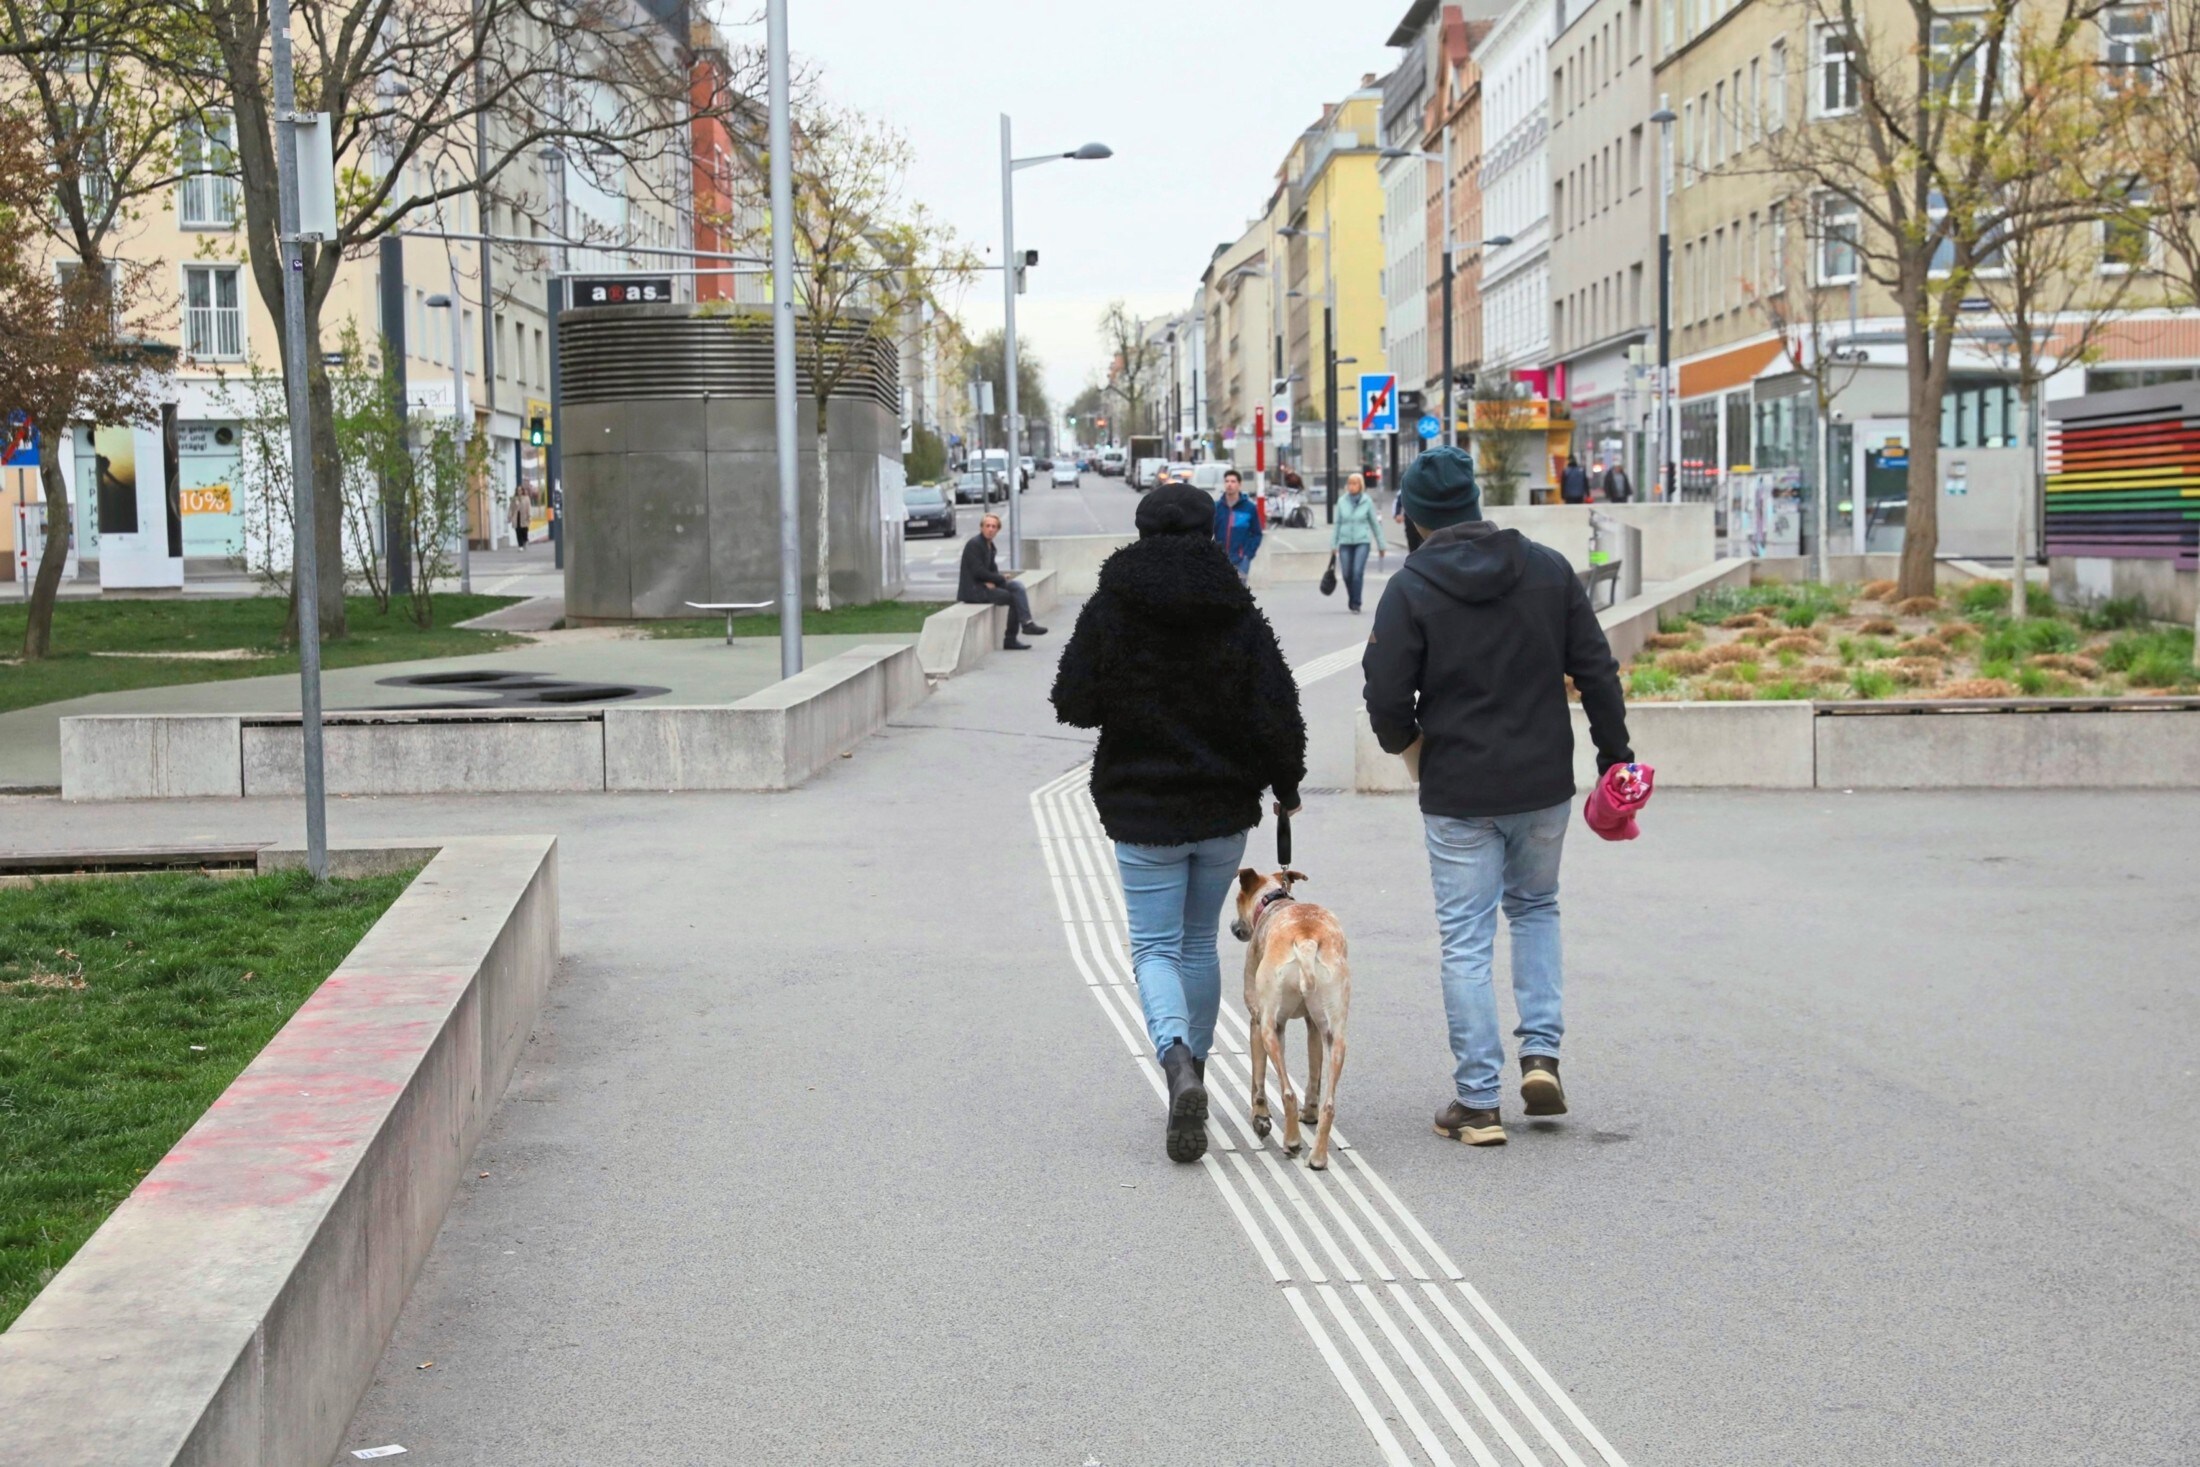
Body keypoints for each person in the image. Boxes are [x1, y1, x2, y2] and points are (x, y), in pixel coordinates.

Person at [1361, 444, 1633, 1149]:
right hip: (1543, 780)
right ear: (1477, 503)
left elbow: (1385, 694)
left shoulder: (1410, 588)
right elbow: (1597, 671)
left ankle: (1479, 1101)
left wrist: (1413, 747)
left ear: (1415, 518)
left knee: (1465, 937)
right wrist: (1615, 758)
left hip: (1458, 787)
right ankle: (1541, 1055)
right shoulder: (1545, 569)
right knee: (1537, 907)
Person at [1051, 483, 1306, 1164]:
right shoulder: (1235, 608)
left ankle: (1176, 1064)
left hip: (1141, 806)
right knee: (1197, 944)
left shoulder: (1113, 606)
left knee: (1154, 947)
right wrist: (1286, 783)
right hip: (1223, 807)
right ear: (1210, 528)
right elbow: (1275, 706)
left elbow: (1072, 698)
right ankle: (1194, 1066)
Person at [958, 513, 1048, 651]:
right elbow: (978, 571)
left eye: (994, 526)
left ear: (998, 530)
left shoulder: (990, 546)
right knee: (1013, 598)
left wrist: (999, 578)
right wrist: (997, 579)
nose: (990, 529)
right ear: (981, 527)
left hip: (985, 585)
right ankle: (1010, 639)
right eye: (987, 526)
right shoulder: (975, 545)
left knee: (1017, 586)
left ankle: (1027, 623)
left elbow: (991, 570)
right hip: (975, 591)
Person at [1330, 470, 1387, 613]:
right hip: (1345, 542)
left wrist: (1381, 545)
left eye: (1354, 483)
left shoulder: (1367, 502)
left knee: (1357, 572)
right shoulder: (1342, 501)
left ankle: (1356, 603)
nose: (1351, 486)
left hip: (1362, 541)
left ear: (1360, 485)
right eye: (1349, 483)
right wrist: (1333, 544)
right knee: (1347, 574)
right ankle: (1352, 597)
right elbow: (1337, 524)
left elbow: (1374, 524)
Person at [1212, 469, 1264, 582]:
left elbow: (1257, 533)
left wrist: (1247, 555)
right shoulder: (1217, 508)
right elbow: (1210, 532)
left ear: (1239, 485)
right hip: (1220, 560)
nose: (1229, 484)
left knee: (1239, 594)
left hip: (1240, 560)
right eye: (1227, 481)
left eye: (1233, 481)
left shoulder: (1249, 508)